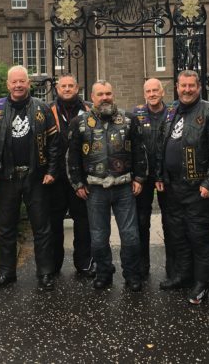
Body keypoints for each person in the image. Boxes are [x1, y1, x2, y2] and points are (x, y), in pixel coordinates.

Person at [0, 65, 61, 291]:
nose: (18, 85)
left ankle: (45, 273)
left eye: (22, 81)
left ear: (29, 83)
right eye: (14, 82)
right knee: (6, 228)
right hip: (6, 177)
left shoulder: (42, 108)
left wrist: (51, 171)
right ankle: (6, 273)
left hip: (36, 177)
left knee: (42, 228)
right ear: (8, 85)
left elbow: (54, 145)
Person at [156, 70, 209, 305]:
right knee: (178, 235)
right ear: (177, 87)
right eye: (183, 86)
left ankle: (202, 283)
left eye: (191, 86)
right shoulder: (171, 111)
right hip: (172, 187)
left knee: (199, 237)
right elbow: (161, 144)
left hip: (198, 188)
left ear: (199, 87)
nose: (187, 90)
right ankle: (183, 275)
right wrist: (160, 174)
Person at [67, 80, 147, 291]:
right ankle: (104, 272)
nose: (105, 97)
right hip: (94, 190)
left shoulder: (128, 120)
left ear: (113, 94)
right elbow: (72, 157)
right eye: (100, 94)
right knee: (99, 238)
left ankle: (132, 274)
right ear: (91, 97)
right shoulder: (79, 122)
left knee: (130, 236)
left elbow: (140, 150)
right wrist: (77, 184)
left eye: (108, 93)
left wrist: (139, 178)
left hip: (124, 188)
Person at [48, 74, 95, 277]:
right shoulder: (47, 110)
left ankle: (84, 263)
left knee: (83, 223)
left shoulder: (89, 109)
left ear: (77, 88)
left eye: (71, 86)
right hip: (55, 178)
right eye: (63, 86)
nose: (67, 89)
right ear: (57, 89)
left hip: (81, 178)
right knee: (54, 223)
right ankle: (53, 264)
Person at [132, 78, 169, 279]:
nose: (152, 94)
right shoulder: (135, 114)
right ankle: (142, 266)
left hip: (168, 177)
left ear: (163, 92)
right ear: (144, 93)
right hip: (143, 176)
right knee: (141, 222)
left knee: (171, 223)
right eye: (149, 91)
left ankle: (173, 267)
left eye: (156, 90)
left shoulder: (173, 113)